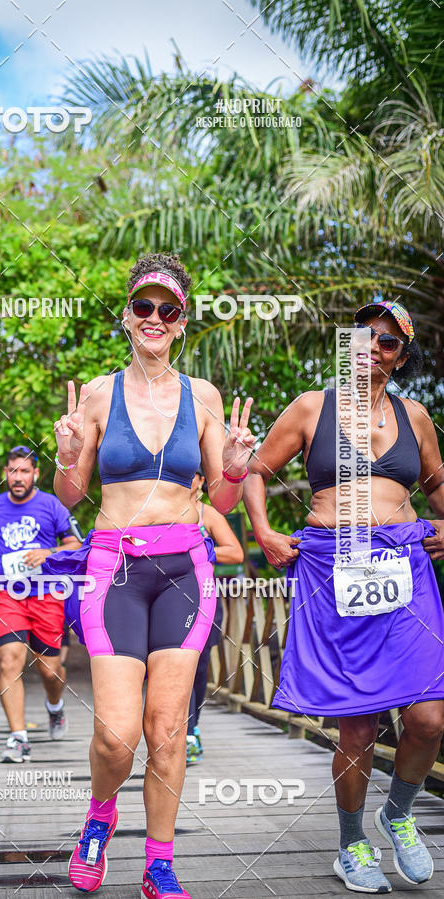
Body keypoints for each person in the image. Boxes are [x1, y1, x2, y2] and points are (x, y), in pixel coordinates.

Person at [51, 253, 255, 898]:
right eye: (144, 306)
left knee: (167, 729)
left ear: (183, 321)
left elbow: (218, 504)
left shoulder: (205, 396)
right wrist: (64, 457)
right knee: (116, 735)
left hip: (183, 569)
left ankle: (159, 861)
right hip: (113, 566)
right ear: (127, 315)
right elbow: (68, 493)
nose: (155, 318)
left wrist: (237, 468)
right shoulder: (97, 393)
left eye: (168, 310)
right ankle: (99, 818)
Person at [242, 299, 444, 893]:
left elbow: (437, 483)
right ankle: (352, 842)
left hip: (405, 567)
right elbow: (254, 469)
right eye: (365, 338)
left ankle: (399, 814)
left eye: (388, 343)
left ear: (401, 356)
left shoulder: (416, 415)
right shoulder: (312, 408)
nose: (374, 350)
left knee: (430, 719)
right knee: (357, 728)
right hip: (336, 569)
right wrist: (264, 532)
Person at [0, 445, 82, 762]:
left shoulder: (52, 505)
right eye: (12, 471)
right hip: (6, 593)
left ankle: (55, 707)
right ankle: (18, 739)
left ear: (35, 474)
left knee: (50, 670)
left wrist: (50, 553)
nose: (18, 477)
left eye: (24, 471)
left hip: (46, 593)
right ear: (5, 474)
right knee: (9, 661)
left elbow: (76, 543)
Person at [186, 466, 244, 764]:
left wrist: (201, 548)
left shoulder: (207, 514)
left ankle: (191, 731)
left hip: (203, 599)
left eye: (191, 475)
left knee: (197, 669)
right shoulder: (160, 509)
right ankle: (170, 731)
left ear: (201, 481)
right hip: (162, 597)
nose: (185, 480)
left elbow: (235, 552)